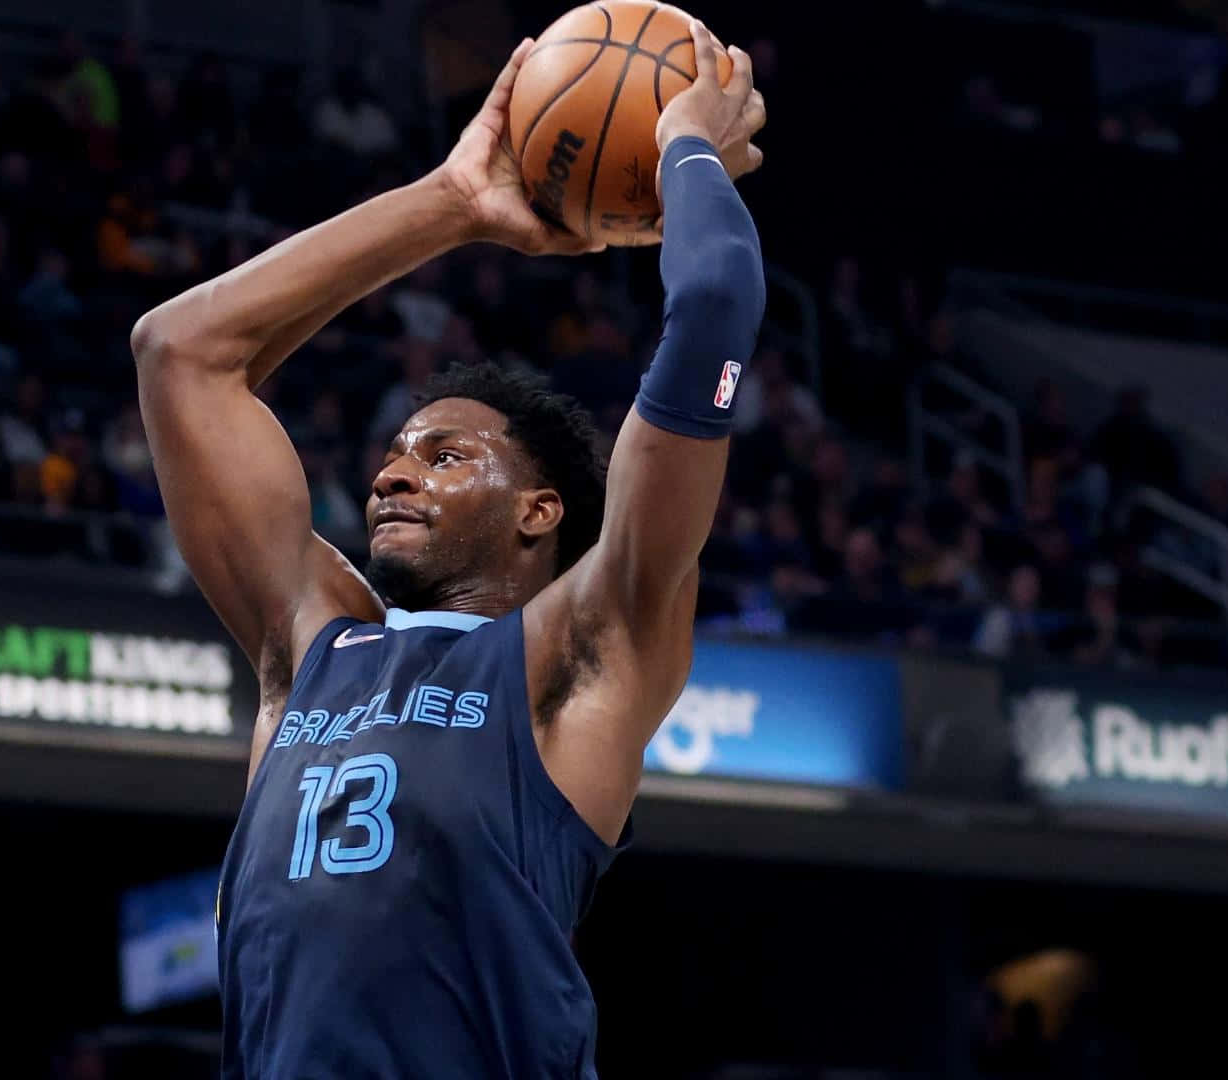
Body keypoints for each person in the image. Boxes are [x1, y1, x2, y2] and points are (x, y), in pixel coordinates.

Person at [132, 24, 764, 1079]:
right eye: (394, 455)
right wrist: (453, 202)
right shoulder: (311, 645)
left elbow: (711, 308)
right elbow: (179, 353)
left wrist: (685, 146)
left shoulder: (584, 649)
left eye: (446, 456)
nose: (392, 475)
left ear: (539, 512)